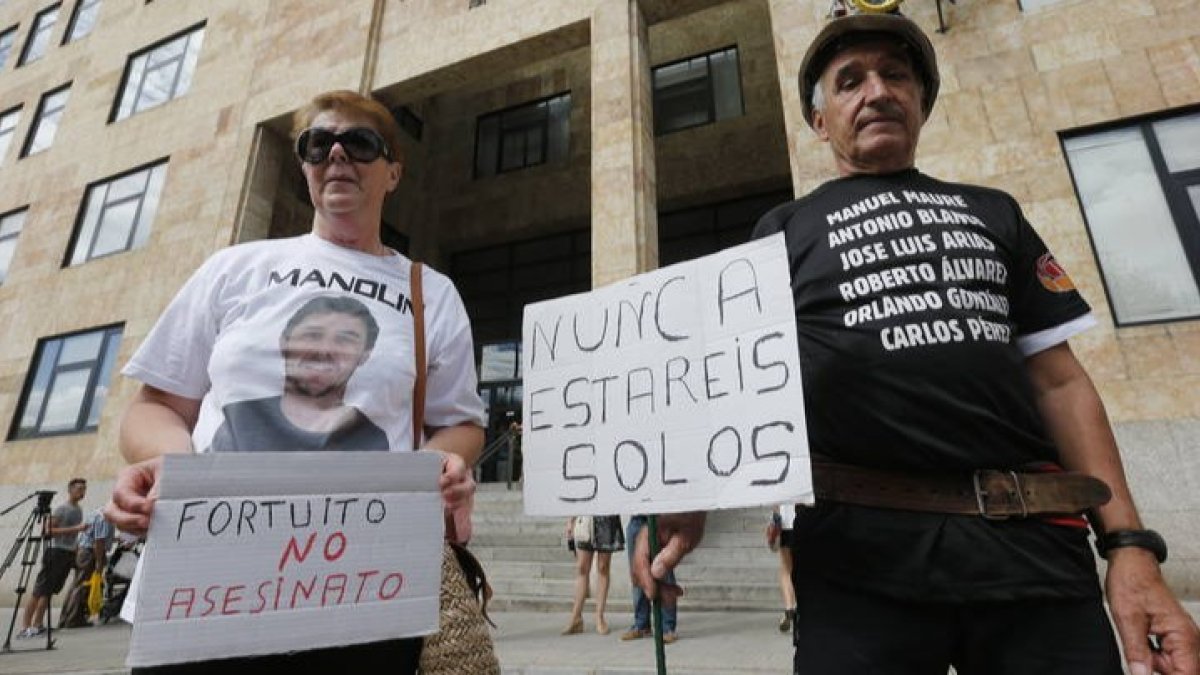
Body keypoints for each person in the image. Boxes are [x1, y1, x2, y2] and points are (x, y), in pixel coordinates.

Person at [638, 13, 1200, 675]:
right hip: (858, 570)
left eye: (895, 75)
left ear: (921, 104)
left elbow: (1062, 382)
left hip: (1033, 558)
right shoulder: (782, 229)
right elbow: (737, 376)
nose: (876, 91)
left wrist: (1131, 547)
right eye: (850, 81)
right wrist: (689, 495)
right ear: (820, 122)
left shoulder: (997, 212)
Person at [104, 89, 487, 673]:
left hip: (364, 593)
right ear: (305, 165)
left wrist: (440, 467)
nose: (337, 154)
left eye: (359, 143)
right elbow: (152, 408)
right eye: (318, 144)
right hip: (205, 587)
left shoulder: (429, 292)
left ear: (393, 172)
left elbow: (458, 422)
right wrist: (174, 468)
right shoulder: (236, 268)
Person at [209, 295, 388, 451]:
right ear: (283, 342)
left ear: (365, 355)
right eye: (312, 335)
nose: (324, 350)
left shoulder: (374, 437)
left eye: (344, 340)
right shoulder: (241, 418)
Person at [17, 478, 88, 639]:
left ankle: (38, 624)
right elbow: (47, 530)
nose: (82, 492)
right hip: (55, 552)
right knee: (40, 590)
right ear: (70, 490)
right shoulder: (61, 508)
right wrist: (76, 528)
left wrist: (75, 551)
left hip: (68, 553)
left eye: (84, 489)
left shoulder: (78, 509)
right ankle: (25, 627)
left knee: (49, 592)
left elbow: (74, 535)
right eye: (78, 489)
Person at [562, 515, 624, 636]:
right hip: (586, 517)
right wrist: (571, 520)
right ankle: (576, 617)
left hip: (606, 516)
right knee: (582, 567)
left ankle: (599, 617)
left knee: (603, 567)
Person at [623, 515, 678, 644]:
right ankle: (641, 624)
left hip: (660, 519)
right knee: (638, 572)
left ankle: (668, 627)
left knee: (664, 570)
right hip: (637, 518)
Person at [59, 507, 113, 628]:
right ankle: (73, 619)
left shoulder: (94, 513)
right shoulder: (103, 518)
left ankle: (66, 618)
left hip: (83, 551)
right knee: (82, 586)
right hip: (90, 553)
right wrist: (99, 562)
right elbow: (98, 542)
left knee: (76, 585)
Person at [767, 504, 796, 634]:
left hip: (784, 524)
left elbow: (775, 503)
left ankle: (789, 607)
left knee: (786, 568)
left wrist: (774, 519)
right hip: (804, 521)